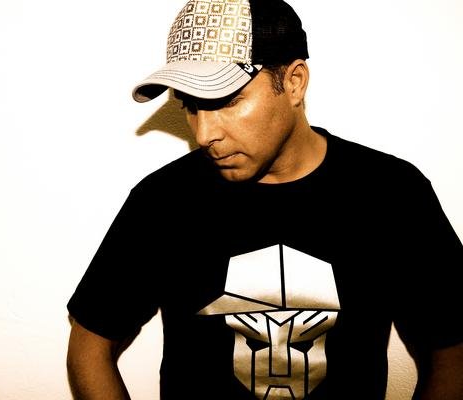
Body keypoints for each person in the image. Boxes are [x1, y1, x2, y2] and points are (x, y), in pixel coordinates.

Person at [66, 0, 463, 398]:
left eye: (227, 101)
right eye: (191, 106)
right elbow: (89, 348)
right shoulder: (162, 202)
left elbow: (454, 353)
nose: (204, 134)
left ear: (294, 82)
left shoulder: (392, 194)